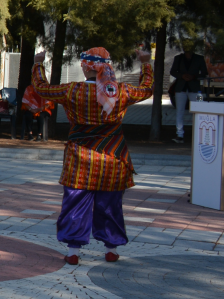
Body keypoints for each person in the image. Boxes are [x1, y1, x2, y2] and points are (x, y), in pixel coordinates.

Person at [32, 47, 153, 265]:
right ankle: (111, 249)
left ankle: (73, 252)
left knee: (75, 204)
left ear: (84, 66)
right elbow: (147, 89)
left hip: (80, 159)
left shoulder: (72, 91)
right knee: (110, 205)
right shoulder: (121, 91)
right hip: (113, 158)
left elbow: (42, 89)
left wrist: (38, 64)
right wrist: (145, 63)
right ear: (107, 66)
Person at [170, 46, 209, 143]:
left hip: (194, 88)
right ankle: (180, 135)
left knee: (198, 111)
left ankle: (199, 134)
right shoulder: (178, 58)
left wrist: (194, 77)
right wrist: (182, 76)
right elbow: (172, 71)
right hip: (181, 87)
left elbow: (204, 73)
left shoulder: (199, 58)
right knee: (179, 111)